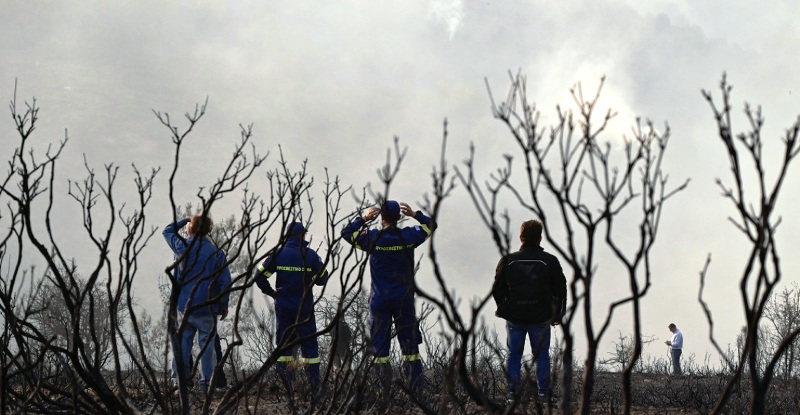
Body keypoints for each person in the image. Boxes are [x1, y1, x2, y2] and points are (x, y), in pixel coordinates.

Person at [340, 200, 437, 397]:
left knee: (379, 349)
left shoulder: (372, 238)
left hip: (379, 301)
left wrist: (364, 219)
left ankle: (381, 391)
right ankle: (415, 391)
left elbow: (346, 234)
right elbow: (431, 226)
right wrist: (415, 214)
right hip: (404, 300)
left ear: (381, 217)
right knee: (410, 347)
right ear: (399, 217)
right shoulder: (409, 236)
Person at [492, 219, 567, 402]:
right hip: (541, 317)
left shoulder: (508, 260)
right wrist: (557, 313)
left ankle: (512, 395)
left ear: (521, 237)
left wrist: (504, 308)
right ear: (540, 239)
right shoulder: (550, 261)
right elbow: (561, 288)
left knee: (514, 355)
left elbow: (497, 289)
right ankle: (543, 394)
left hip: (515, 316)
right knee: (542, 355)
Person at [254, 221, 329, 395]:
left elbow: (259, 276)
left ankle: (287, 387)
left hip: (284, 307)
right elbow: (322, 279)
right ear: (303, 236)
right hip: (304, 309)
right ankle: (314, 388)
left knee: (284, 348)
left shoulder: (278, 254)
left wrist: (271, 292)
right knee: (310, 348)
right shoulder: (310, 255)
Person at [163, 214, 231, 393]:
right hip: (208, 307)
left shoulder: (182, 246)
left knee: (182, 345)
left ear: (191, 228)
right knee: (207, 347)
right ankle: (207, 384)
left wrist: (183, 221)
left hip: (184, 306)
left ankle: (180, 384)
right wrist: (223, 304)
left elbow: (167, 231)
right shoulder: (216, 252)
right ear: (208, 230)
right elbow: (225, 281)